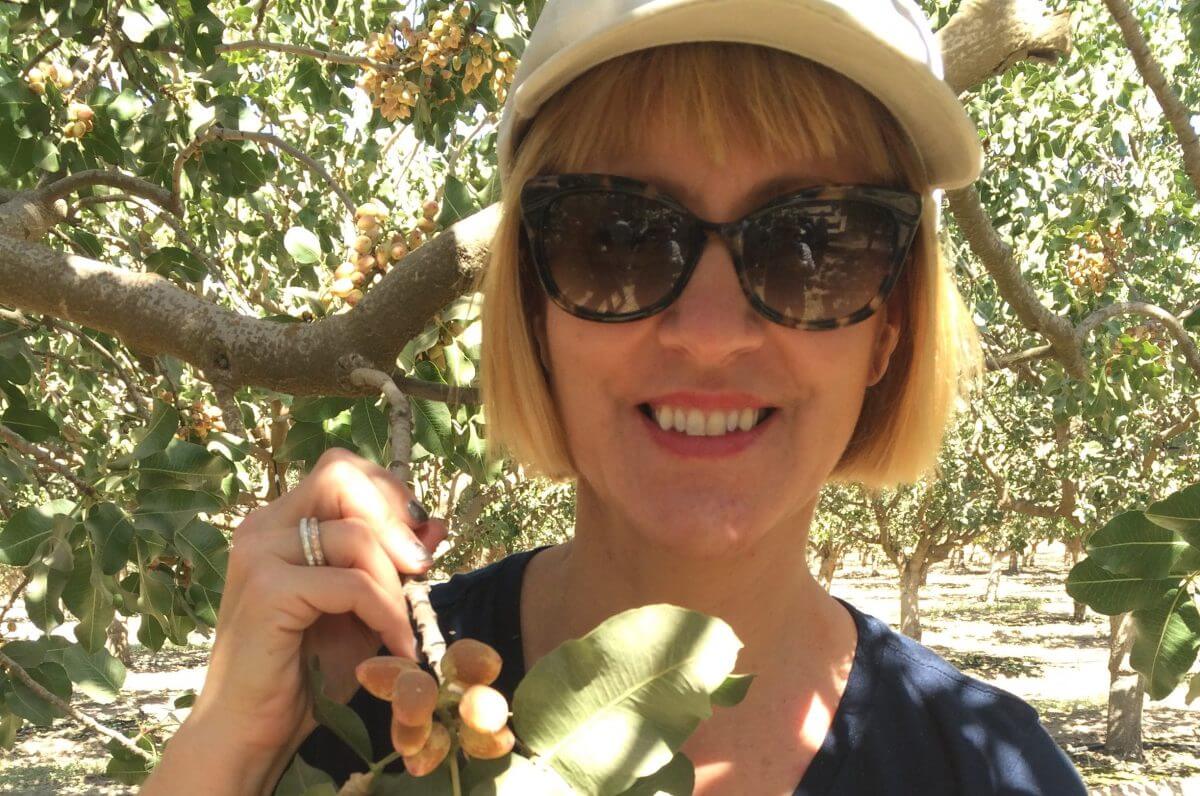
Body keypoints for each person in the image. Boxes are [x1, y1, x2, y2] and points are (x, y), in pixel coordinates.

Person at [142, 1, 1091, 794]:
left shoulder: (997, 774)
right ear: (531, 307)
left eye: (815, 243)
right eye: (617, 237)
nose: (710, 332)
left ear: (890, 327)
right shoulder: (368, 712)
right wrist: (233, 744)